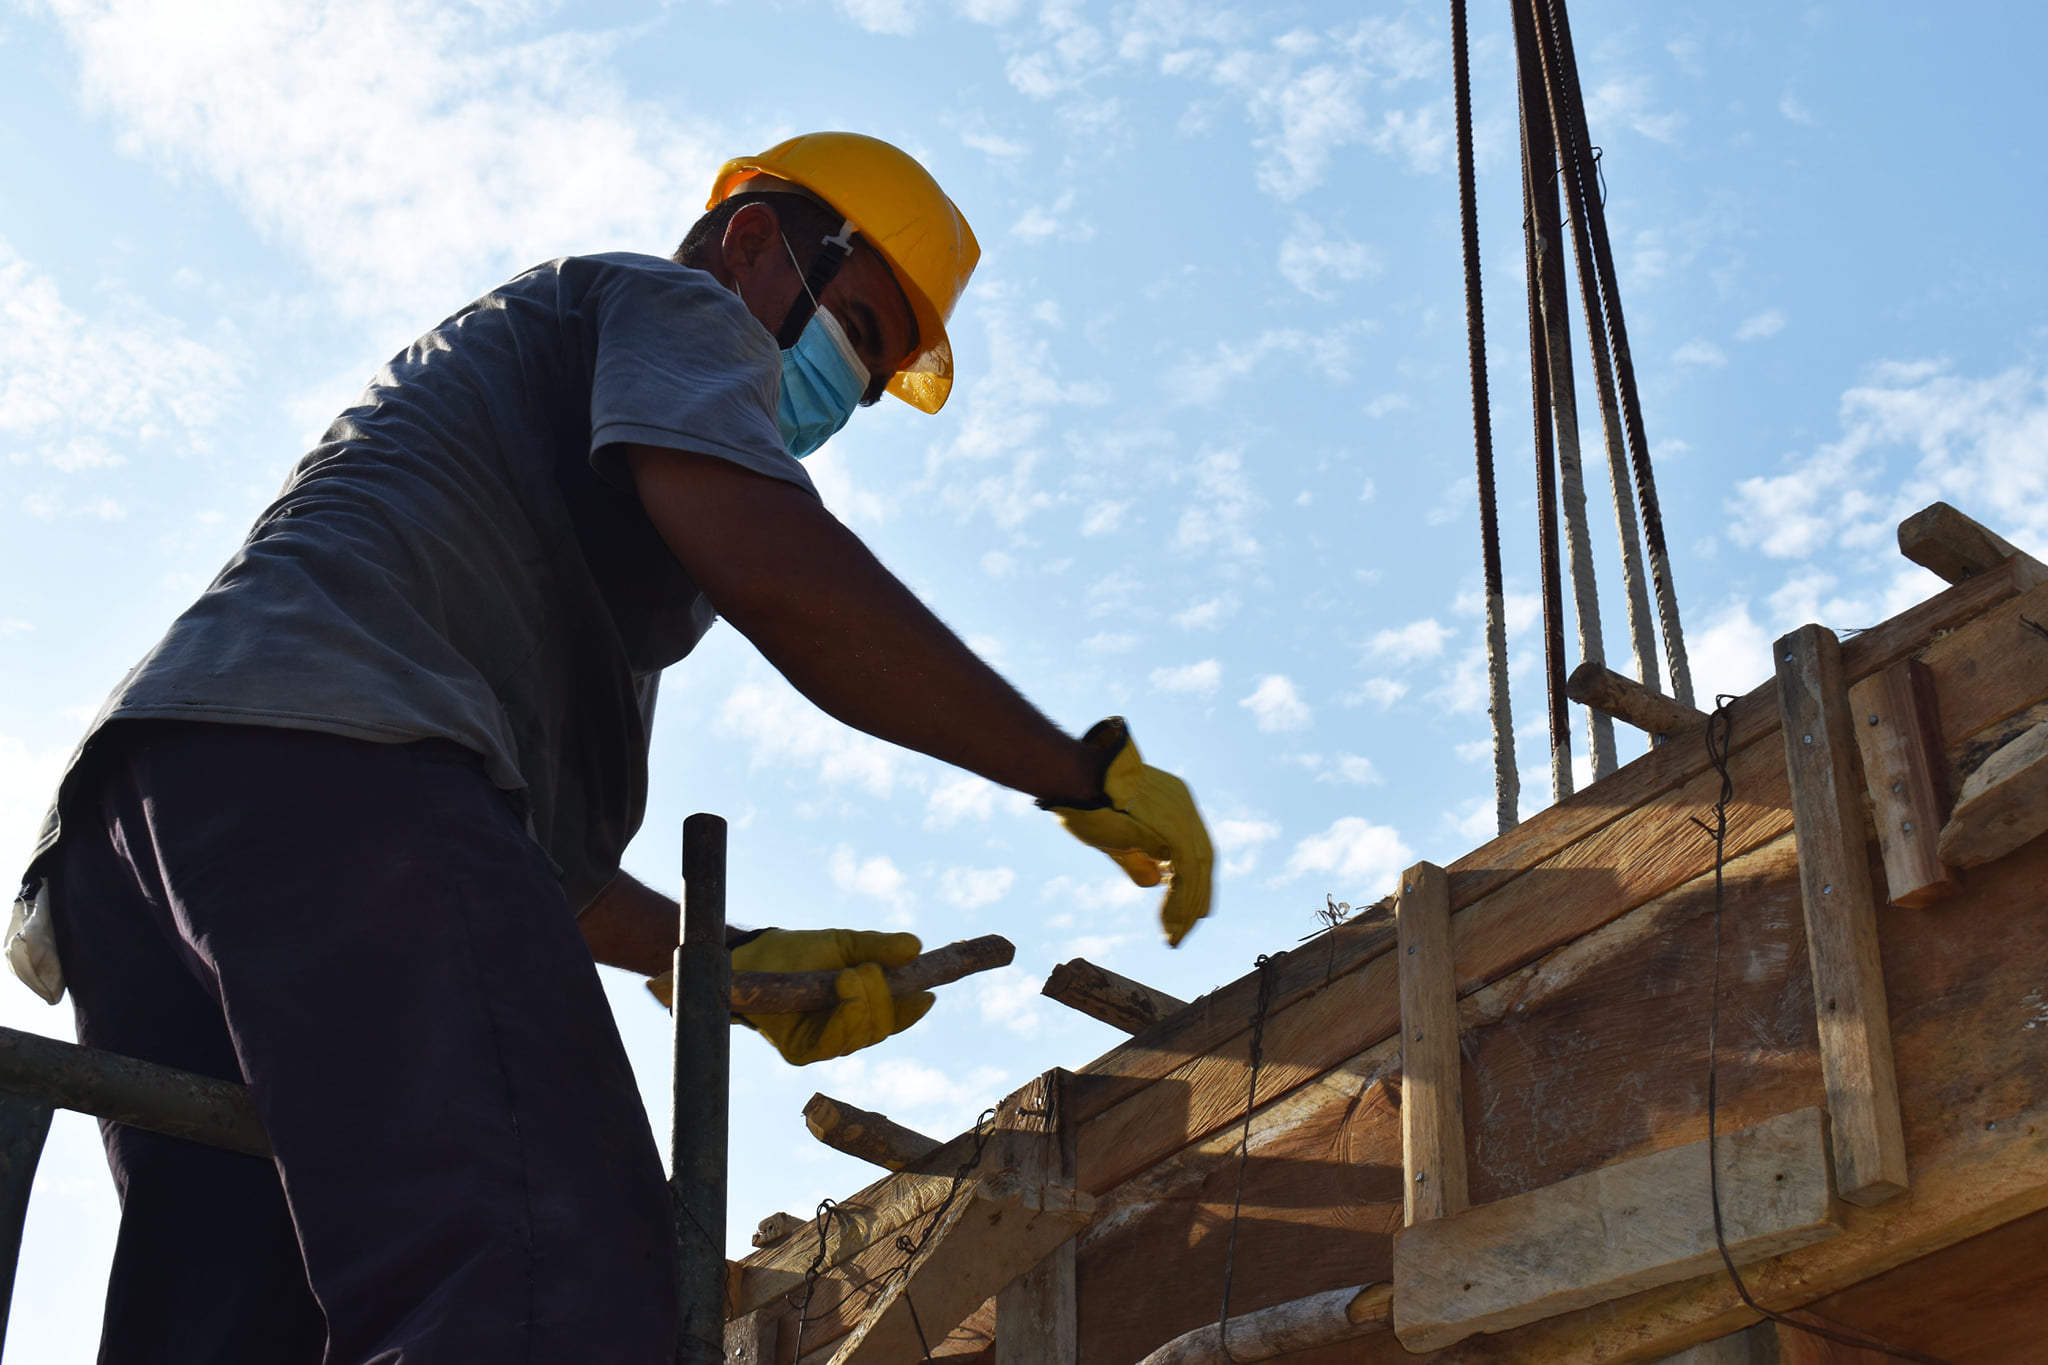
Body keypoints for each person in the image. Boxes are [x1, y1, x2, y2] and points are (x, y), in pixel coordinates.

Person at [5, 132, 1212, 1362]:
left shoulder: (569, 519)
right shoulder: (672, 307)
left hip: (144, 826)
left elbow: (540, 874)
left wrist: (726, 962)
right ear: (752, 242)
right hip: (326, 771)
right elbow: (781, 577)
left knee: (239, 1320)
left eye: (871, 379)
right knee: (545, 1281)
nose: (844, 393)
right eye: (854, 328)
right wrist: (1075, 772)